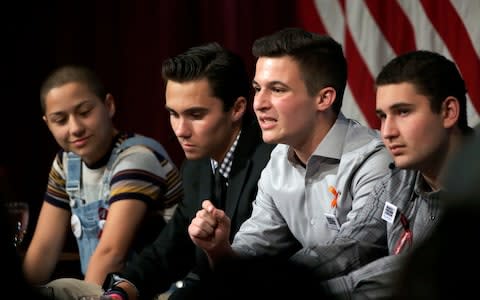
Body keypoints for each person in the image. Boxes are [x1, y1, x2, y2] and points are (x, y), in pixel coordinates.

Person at [53, 42, 276, 300]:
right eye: (173, 114)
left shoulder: (271, 161)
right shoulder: (195, 166)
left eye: (195, 114)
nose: (180, 130)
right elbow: (169, 250)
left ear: (237, 109)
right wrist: (121, 291)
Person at [188, 27, 392, 297]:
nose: (258, 103)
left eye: (277, 90)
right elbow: (250, 253)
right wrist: (220, 250)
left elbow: (353, 249)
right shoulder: (278, 162)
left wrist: (276, 282)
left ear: (323, 98)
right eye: (258, 89)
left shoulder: (374, 160)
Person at [299, 50, 475, 298]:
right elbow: (351, 246)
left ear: (448, 112)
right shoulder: (399, 179)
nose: (387, 132)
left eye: (403, 112)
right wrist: (280, 276)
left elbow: (417, 270)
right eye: (382, 116)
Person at [22, 65, 183, 297]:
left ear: (109, 105)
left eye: (85, 112)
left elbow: (111, 254)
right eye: (60, 120)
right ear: (47, 123)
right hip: (103, 291)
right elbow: (44, 249)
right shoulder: (66, 164)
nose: (75, 128)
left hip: (153, 293)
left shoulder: (137, 158)